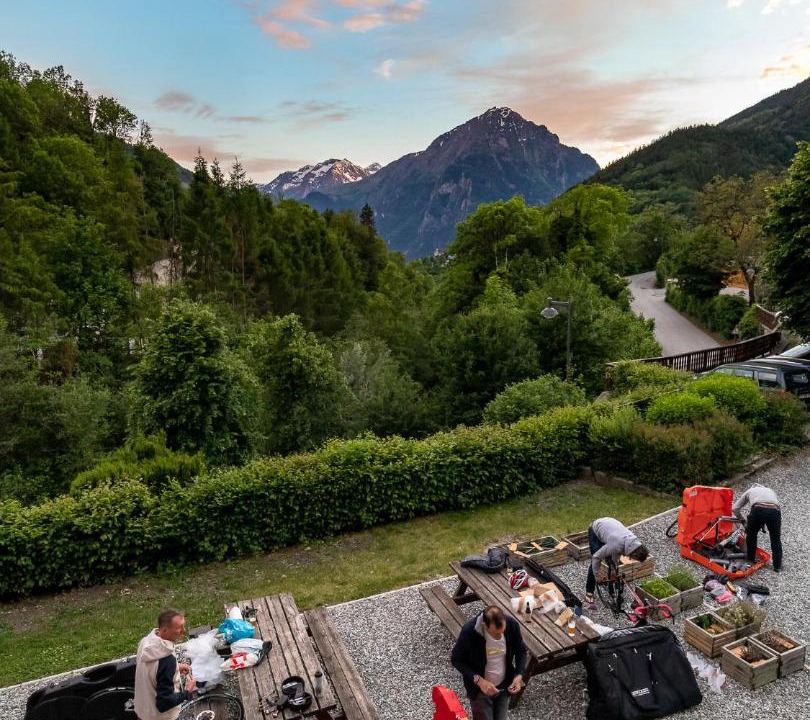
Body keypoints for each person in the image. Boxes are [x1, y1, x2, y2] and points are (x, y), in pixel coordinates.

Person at [451, 605, 528, 720]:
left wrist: (519, 675)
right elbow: (456, 659)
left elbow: (521, 650)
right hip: (480, 691)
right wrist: (479, 680)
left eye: (503, 632)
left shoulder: (511, 625)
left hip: (504, 686)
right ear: (484, 625)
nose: (500, 637)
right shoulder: (469, 632)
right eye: (496, 634)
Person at [134, 608, 196, 720]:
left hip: (143, 710)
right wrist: (187, 691)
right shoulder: (167, 661)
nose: (183, 630)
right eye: (179, 628)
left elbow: (152, 671)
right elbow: (164, 704)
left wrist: (177, 667)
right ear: (165, 630)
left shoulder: (145, 642)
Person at [584, 517, 649, 608]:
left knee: (613, 564)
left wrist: (614, 568)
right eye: (635, 558)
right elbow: (596, 557)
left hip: (611, 528)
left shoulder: (633, 543)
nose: (632, 560)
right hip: (596, 529)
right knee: (595, 561)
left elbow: (617, 553)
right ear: (634, 553)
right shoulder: (617, 545)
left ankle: (611, 590)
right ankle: (589, 591)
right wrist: (596, 574)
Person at [733, 483, 782, 571]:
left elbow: (735, 508)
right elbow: (770, 506)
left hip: (758, 509)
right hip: (775, 511)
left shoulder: (750, 491)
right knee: (775, 538)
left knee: (751, 534)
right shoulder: (770, 490)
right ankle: (777, 566)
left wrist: (743, 521)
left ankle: (750, 560)